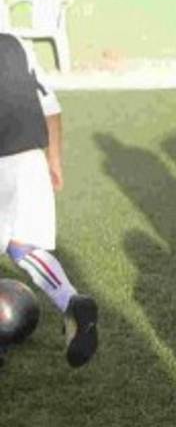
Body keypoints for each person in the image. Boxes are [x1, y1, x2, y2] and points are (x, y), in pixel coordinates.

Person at [0, 32, 97, 367]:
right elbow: (51, 107)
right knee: (23, 247)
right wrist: (54, 161)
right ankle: (71, 301)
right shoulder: (17, 45)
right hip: (30, 159)